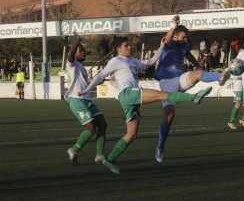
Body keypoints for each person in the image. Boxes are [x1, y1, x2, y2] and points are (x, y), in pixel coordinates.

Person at [79, 36, 213, 174]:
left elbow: (150, 62)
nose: (129, 47)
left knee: (131, 135)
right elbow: (100, 76)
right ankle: (193, 97)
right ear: (118, 49)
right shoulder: (115, 60)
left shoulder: (132, 61)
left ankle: (110, 159)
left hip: (129, 98)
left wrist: (161, 46)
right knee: (163, 94)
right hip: (128, 93)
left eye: (129, 45)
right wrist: (86, 90)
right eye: (126, 45)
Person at [154, 16, 230, 163]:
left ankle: (220, 77)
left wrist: (197, 65)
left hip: (180, 78)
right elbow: (168, 40)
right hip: (167, 81)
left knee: (199, 74)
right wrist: (173, 25)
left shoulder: (184, 45)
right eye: (183, 37)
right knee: (169, 116)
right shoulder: (168, 43)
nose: (185, 40)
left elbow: (188, 54)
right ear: (176, 35)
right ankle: (160, 146)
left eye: (186, 37)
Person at [65, 32, 108, 165]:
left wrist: (101, 79)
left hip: (87, 101)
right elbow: (70, 55)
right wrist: (76, 41)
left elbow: (89, 84)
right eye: (80, 51)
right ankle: (74, 150)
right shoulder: (71, 65)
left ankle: (99, 155)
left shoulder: (82, 67)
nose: (83, 53)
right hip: (76, 101)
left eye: (84, 51)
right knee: (91, 129)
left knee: (103, 124)